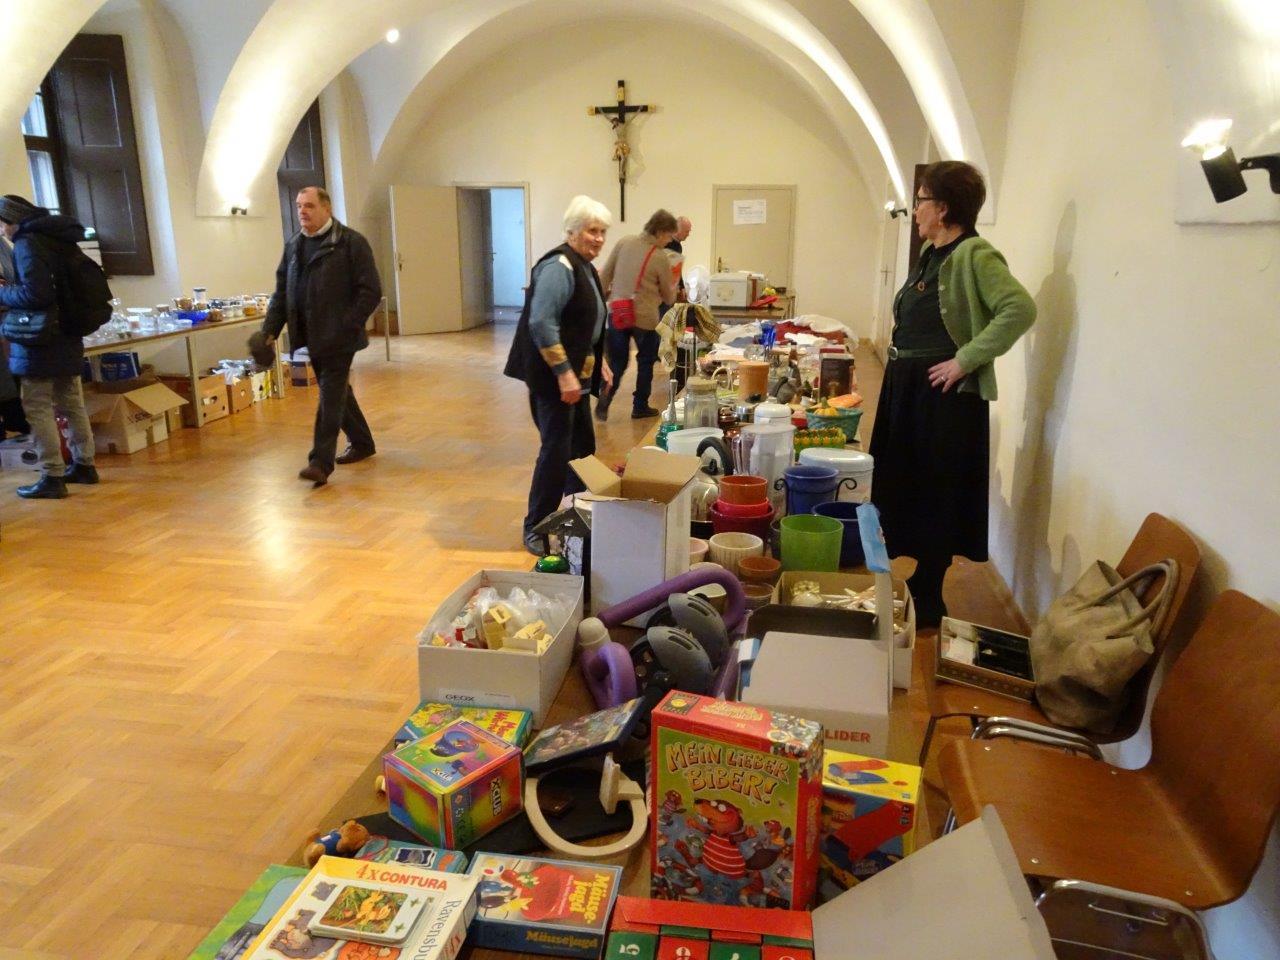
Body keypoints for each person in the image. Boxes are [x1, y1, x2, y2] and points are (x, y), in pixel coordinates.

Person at [869, 161, 1036, 625]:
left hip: (941, 396)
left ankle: (930, 590)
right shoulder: (931, 253)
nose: (915, 210)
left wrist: (966, 359)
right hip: (908, 387)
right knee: (906, 477)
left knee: (936, 484)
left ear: (942, 208)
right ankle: (914, 573)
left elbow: (1019, 309)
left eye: (921, 200)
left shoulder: (974, 254)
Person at [504, 195, 614, 555]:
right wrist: (565, 375)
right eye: (592, 231)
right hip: (553, 378)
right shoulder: (558, 266)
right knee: (556, 451)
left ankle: (572, 514)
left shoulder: (584, 266)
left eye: (603, 232)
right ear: (572, 231)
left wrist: (600, 361)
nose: (599, 238)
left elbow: (586, 322)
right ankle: (535, 525)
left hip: (576, 376)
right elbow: (542, 323)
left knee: (581, 449)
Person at [261, 186, 382, 486]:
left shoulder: (351, 243)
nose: (302, 211)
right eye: (299, 206)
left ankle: (320, 462)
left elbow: (370, 291)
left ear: (327, 209)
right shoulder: (294, 246)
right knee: (337, 391)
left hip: (340, 338)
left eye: (310, 205)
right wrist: (269, 330)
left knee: (329, 394)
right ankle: (362, 442)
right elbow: (282, 293)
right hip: (311, 335)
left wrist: (348, 324)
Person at [0, 194, 97, 499]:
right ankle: (84, 465)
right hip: (67, 331)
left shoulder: (27, 244)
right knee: (71, 402)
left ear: (13, 221)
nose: (2, 232)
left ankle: (52, 474)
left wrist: (4, 294)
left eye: (2, 225)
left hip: (39, 338)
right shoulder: (58, 238)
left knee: (37, 406)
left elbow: (36, 295)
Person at [595, 208, 678, 421]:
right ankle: (640, 406)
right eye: (669, 236)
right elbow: (669, 296)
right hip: (645, 319)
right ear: (661, 232)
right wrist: (672, 288)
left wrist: (601, 302)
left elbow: (605, 275)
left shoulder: (624, 242)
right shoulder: (660, 257)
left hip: (618, 312)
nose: (669, 241)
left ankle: (605, 399)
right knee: (645, 361)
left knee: (617, 363)